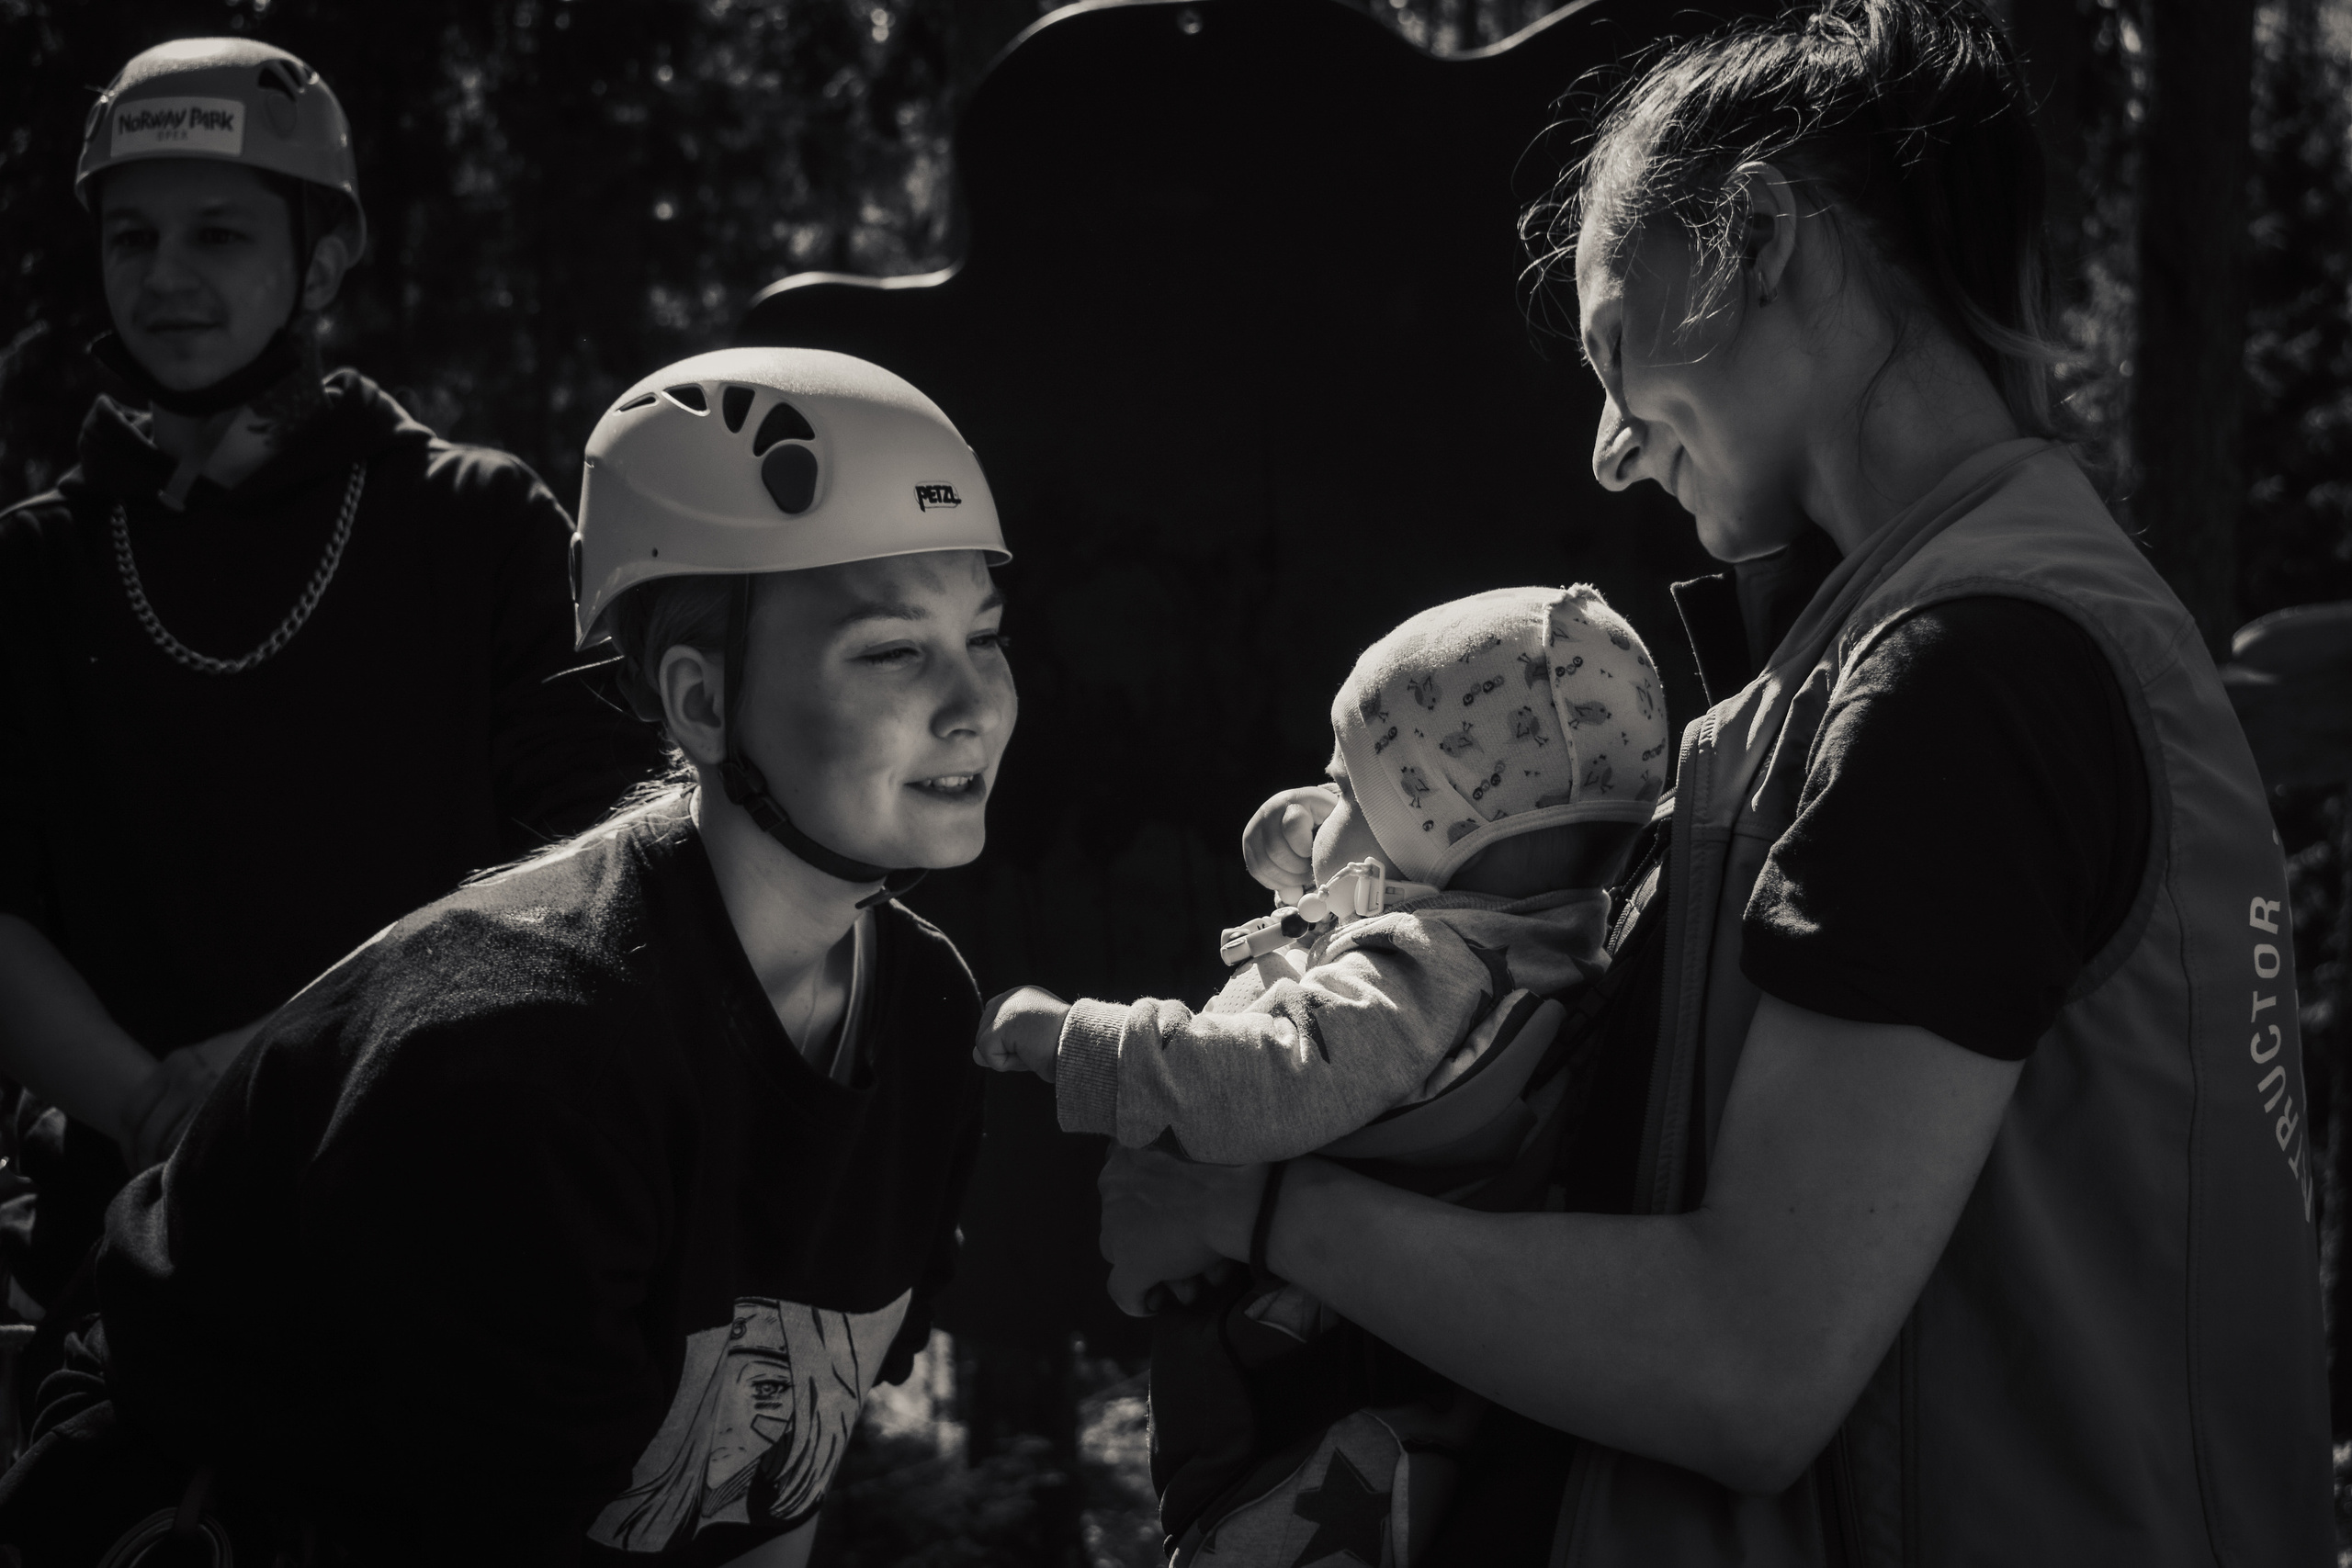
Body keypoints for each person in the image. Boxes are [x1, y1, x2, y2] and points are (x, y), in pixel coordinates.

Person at [1091, 3, 2335, 1564]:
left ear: (1758, 239)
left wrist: (1250, 1212)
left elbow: (1749, 1360)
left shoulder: (1967, 674)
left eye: (1615, 345)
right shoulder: (2019, 610)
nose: (1610, 450)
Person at [0, 346, 1016, 1565]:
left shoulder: (918, 1012)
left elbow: (764, 1491)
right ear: (700, 703)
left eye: (986, 634)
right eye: (893, 650)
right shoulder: (531, 1056)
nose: (977, 704)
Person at [0, 36, 659, 1330]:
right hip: (119, 1256)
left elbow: (594, 873)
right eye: (130, 238)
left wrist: (271, 1067)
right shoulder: (34, 564)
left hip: (438, 1221)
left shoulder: (475, 522)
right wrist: (148, 1109)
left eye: (219, 235)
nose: (165, 277)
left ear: (326, 258)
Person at [978, 584, 1666, 1564]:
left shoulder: (1418, 969)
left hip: (1294, 1392)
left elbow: (1268, 1081)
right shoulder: (1525, 942)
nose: (1324, 802)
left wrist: (1081, 1042)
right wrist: (1325, 852)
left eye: (1347, 786)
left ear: (1436, 833)